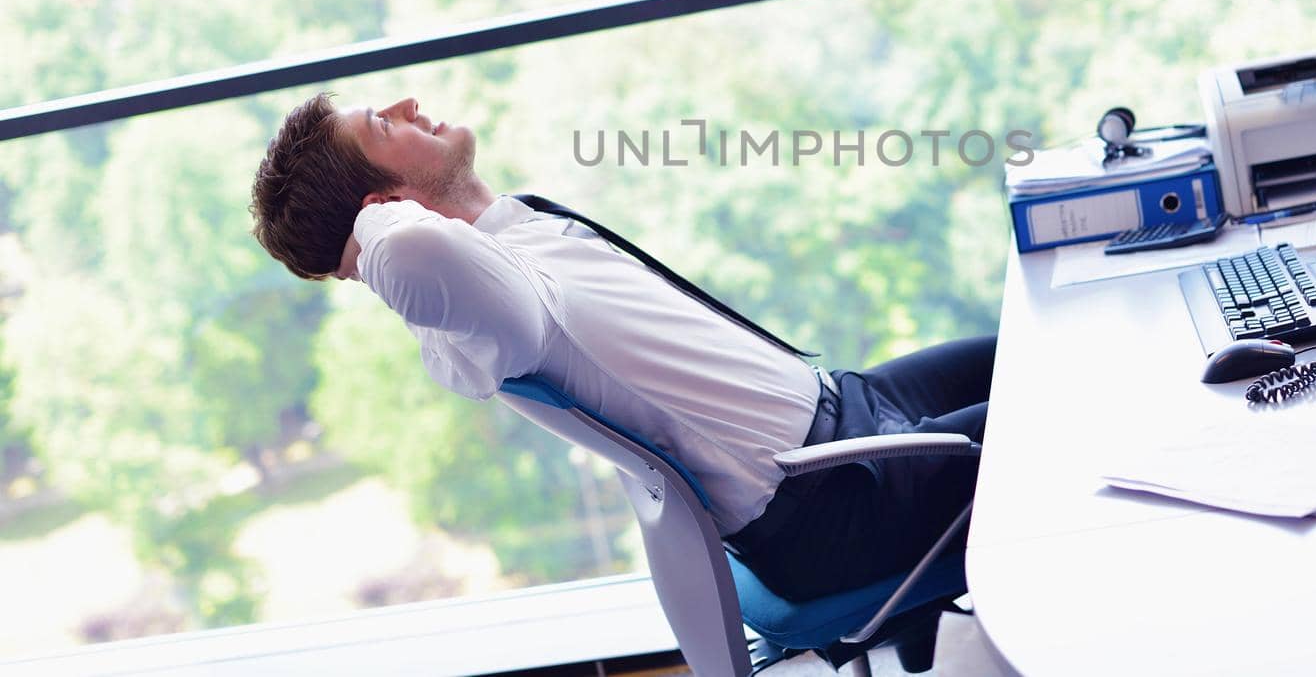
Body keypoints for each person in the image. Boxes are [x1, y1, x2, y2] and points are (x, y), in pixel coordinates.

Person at [250, 92, 992, 600]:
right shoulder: (510, 308)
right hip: (837, 498)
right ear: (386, 207)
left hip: (850, 412)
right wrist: (367, 231)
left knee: (1029, 348)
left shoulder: (517, 235)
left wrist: (375, 211)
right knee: (1076, 412)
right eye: (385, 125)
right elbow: (410, 252)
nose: (411, 105)